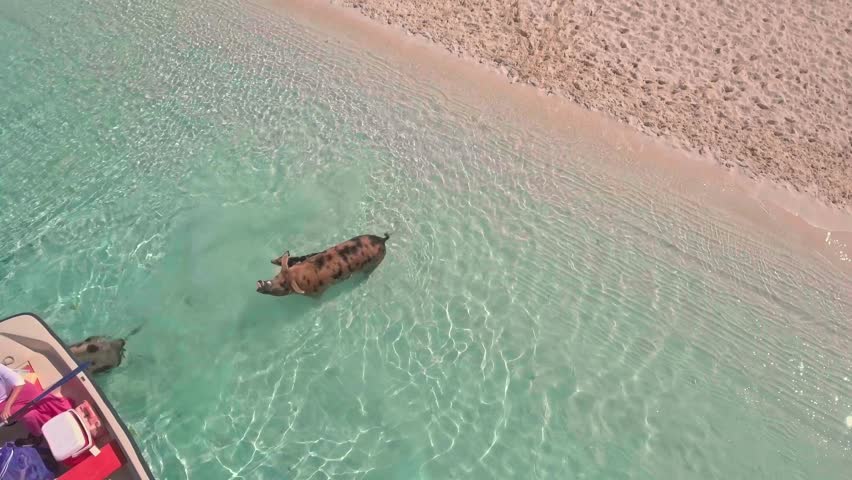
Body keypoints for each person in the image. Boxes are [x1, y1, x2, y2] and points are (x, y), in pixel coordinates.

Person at [0, 362, 73, 437]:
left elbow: (19, 383)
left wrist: (7, 407)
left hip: (16, 389)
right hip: (2, 403)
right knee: (30, 415)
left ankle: (68, 413)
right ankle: (46, 433)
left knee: (41, 398)